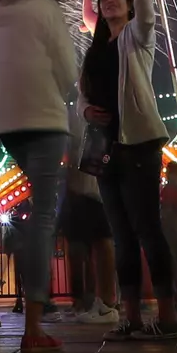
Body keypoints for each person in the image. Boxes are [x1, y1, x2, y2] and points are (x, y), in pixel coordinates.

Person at [76, 0, 177, 342]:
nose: (108, 0)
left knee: (147, 229)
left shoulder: (138, 37)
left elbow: (149, 12)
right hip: (105, 148)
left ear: (128, 4)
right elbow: (81, 94)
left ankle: (168, 316)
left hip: (138, 145)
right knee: (120, 234)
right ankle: (130, 316)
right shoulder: (95, 49)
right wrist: (86, 110)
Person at [0, 0, 77, 353]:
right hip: (46, 120)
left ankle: (20, 246)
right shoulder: (47, 8)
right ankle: (34, 325)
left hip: (8, 124)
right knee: (44, 216)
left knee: (35, 214)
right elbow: (69, 71)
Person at [63, 110, 118, 326]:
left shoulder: (85, 118)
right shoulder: (81, 115)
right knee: (90, 246)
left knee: (100, 242)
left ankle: (105, 302)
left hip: (92, 188)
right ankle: (98, 301)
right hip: (87, 188)